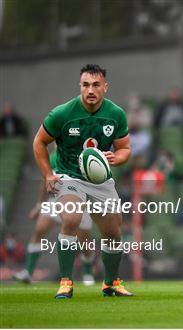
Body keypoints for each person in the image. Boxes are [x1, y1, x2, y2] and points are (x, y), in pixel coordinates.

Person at [33, 64, 133, 299]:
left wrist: (115, 159)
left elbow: (125, 148)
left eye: (96, 85)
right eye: (86, 85)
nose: (91, 89)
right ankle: (66, 281)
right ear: (80, 86)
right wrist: (48, 174)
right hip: (69, 176)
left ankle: (110, 283)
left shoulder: (116, 114)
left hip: (101, 180)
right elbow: (39, 142)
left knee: (113, 233)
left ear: (105, 87)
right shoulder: (62, 113)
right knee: (72, 217)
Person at [13, 148, 96, 285]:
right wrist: (39, 205)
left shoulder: (82, 156)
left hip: (78, 203)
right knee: (39, 230)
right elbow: (45, 181)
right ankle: (28, 271)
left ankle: (88, 272)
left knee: (84, 242)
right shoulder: (53, 158)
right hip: (55, 200)